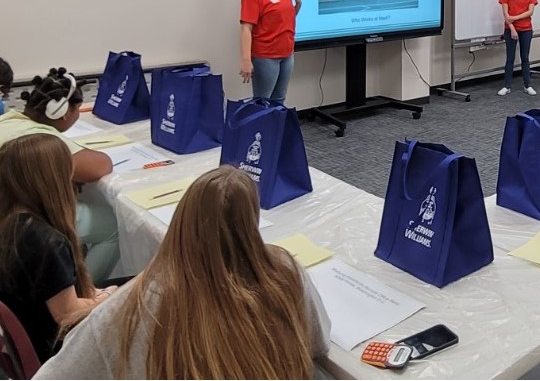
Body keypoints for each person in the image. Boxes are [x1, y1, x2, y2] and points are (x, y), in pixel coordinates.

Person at [35, 166, 332, 379]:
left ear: (182, 220)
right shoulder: (284, 269)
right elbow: (318, 343)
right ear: (252, 223)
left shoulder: (134, 306)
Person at [0, 134, 119, 363]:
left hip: (28, 333)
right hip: (53, 350)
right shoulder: (46, 242)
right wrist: (106, 299)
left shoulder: (11, 224)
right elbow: (67, 314)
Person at [0, 68, 119, 281]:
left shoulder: (9, 119)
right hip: (17, 219)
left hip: (8, 210)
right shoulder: (40, 139)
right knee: (113, 226)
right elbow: (100, 165)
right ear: (64, 112)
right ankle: (85, 291)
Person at [239, 0, 302, 105]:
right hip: (266, 57)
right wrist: (246, 60)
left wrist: (298, 3)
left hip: (287, 54)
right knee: (262, 102)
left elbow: (287, 18)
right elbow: (246, 29)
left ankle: (275, 129)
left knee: (279, 100)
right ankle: (260, 130)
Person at [498, 0, 539, 96]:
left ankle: (527, 85)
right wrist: (513, 29)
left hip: (526, 29)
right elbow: (506, 14)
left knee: (525, 57)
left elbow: (530, 11)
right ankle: (507, 86)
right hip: (510, 30)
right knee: (510, 58)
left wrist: (515, 18)